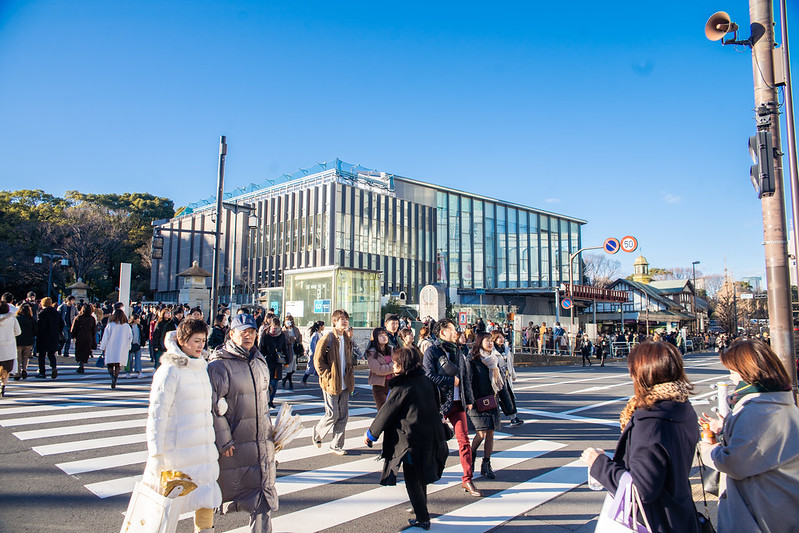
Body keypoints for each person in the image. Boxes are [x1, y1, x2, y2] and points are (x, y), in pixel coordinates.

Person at [582, 341, 699, 533]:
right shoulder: (682, 407)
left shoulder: (650, 422)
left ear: (643, 375)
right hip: (681, 514)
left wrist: (598, 463)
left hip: (654, 520)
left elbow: (640, 489)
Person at [698, 339, 799, 533]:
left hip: (759, 515)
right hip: (781, 505)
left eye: (733, 371)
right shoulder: (780, 401)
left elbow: (734, 462)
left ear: (747, 372)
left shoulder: (757, 410)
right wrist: (726, 425)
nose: (731, 377)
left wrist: (706, 449)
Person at [141, 319, 222, 533]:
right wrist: (156, 454)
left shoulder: (201, 367)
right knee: (168, 508)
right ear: (182, 340)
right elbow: (157, 415)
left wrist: (217, 405)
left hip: (202, 450)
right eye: (196, 341)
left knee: (206, 502)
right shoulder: (169, 371)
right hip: (177, 453)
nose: (200, 346)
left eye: (203, 341)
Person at [364, 347, 449, 531]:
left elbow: (386, 412)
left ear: (403, 365)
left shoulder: (401, 387)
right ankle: (421, 506)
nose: (393, 366)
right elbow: (438, 402)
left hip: (411, 439)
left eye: (395, 363)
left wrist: (371, 434)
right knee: (421, 475)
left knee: (412, 478)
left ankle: (423, 517)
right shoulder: (427, 381)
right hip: (431, 436)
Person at [208, 313, 277, 533]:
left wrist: (271, 431)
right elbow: (212, 407)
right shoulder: (219, 365)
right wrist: (224, 440)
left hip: (260, 440)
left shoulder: (258, 359)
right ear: (231, 334)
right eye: (243, 332)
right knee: (215, 494)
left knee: (264, 495)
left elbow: (264, 401)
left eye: (252, 332)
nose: (248, 336)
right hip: (235, 443)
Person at [422, 318, 481, 497]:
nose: (456, 332)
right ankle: (422, 483)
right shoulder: (432, 351)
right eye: (452, 329)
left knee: (464, 442)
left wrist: (468, 398)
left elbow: (465, 378)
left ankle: (467, 479)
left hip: (458, 404)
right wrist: (450, 381)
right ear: (442, 332)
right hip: (438, 404)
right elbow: (428, 376)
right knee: (431, 444)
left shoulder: (458, 351)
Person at [311, 309, 354, 456]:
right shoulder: (327, 338)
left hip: (345, 382)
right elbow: (317, 360)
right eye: (341, 319)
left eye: (346, 318)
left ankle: (336, 445)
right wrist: (327, 375)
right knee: (332, 414)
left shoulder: (347, 339)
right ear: (334, 321)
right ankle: (317, 431)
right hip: (331, 382)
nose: (344, 321)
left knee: (343, 415)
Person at [468, 332, 503, 480]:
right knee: (481, 433)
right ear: (479, 342)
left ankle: (486, 464)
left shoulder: (494, 358)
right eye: (486, 340)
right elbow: (468, 380)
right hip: (477, 401)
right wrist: (471, 400)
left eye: (491, 340)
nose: (490, 343)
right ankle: (471, 454)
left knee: (491, 433)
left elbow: (502, 382)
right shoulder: (472, 360)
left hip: (492, 399)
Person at [258, 316, 291, 409]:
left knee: (275, 383)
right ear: (270, 326)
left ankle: (270, 400)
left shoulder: (282, 335)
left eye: (276, 327)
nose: (274, 329)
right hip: (267, 361)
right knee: (268, 382)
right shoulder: (266, 334)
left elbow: (285, 348)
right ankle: (266, 400)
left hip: (277, 362)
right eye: (273, 327)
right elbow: (261, 347)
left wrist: (287, 361)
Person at [492, 331, 523, 427]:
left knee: (510, 397)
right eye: (498, 338)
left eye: (501, 337)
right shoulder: (492, 351)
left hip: (506, 377)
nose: (500, 339)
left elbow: (510, 363)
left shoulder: (506, 349)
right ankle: (495, 419)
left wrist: (513, 374)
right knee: (498, 399)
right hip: (497, 378)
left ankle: (513, 417)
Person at [99, 309, 132, 389]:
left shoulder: (110, 325)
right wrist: (128, 347)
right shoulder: (126, 326)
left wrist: (103, 347)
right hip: (121, 347)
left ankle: (112, 376)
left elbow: (105, 337)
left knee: (110, 364)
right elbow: (130, 337)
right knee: (118, 364)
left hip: (111, 346)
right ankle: (115, 378)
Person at [365, 327, 395, 410]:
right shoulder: (371, 352)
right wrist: (391, 366)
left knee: (393, 412)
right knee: (383, 412)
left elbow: (397, 364)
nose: (384, 337)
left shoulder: (391, 349)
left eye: (385, 335)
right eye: (381, 335)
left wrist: (389, 367)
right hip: (379, 387)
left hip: (392, 384)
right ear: (375, 338)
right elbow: (378, 370)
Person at [36, 297, 63, 379]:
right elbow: (62, 324)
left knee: (42, 355)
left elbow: (41, 327)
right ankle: (54, 367)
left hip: (44, 337)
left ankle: (42, 372)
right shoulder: (57, 313)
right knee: (52, 354)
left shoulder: (42, 314)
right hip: (54, 336)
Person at [0, 302, 21, 397]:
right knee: (6, 369)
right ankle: (3, 386)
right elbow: (18, 331)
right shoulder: (12, 318)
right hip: (9, 348)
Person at [70, 303, 96, 374]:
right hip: (88, 337)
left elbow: (74, 329)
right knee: (85, 351)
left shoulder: (78, 318)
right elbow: (94, 330)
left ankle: (80, 364)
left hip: (80, 337)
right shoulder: (92, 319)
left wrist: (73, 335)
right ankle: (82, 364)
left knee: (79, 350)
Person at [13, 303, 36, 381]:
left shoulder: (16, 318)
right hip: (28, 341)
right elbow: (35, 331)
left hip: (18, 341)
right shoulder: (32, 319)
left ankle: (17, 373)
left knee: (18, 358)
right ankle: (24, 369)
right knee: (26, 357)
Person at [281, 315, 303, 390]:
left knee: (294, 368)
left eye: (289, 320)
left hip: (295, 349)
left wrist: (298, 341)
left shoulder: (295, 329)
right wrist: (291, 339)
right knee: (288, 367)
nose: (288, 322)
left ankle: (285, 379)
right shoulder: (283, 330)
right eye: (286, 320)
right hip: (287, 350)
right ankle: (290, 382)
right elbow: (284, 340)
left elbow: (299, 337)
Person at [301, 321, 324, 386]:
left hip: (319, 353)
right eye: (323, 326)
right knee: (310, 367)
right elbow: (312, 345)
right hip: (314, 354)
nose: (323, 327)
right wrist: (315, 353)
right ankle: (303, 380)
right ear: (320, 327)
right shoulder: (315, 334)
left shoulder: (321, 334)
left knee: (319, 367)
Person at [125, 313, 144, 378]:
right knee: (130, 359)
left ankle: (139, 372)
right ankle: (128, 372)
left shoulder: (140, 326)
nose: (139, 320)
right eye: (137, 319)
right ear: (134, 319)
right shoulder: (129, 326)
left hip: (137, 344)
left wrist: (142, 343)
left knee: (138, 359)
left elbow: (141, 335)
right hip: (130, 345)